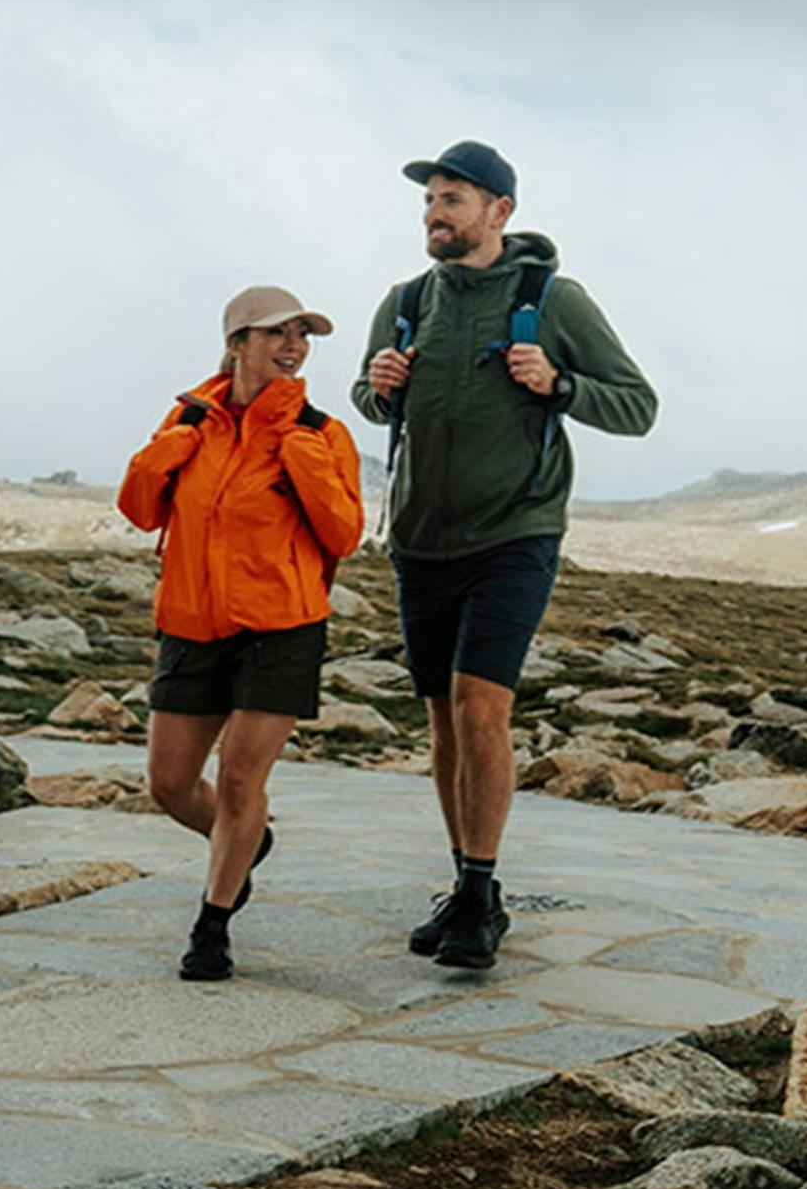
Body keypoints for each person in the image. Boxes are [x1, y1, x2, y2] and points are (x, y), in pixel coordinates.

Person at [354, 141, 656, 971]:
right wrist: (378, 383)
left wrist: (560, 385)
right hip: (420, 539)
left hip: (515, 533)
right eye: (429, 203)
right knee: (445, 718)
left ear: (499, 213)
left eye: (451, 200)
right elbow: (368, 397)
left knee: (482, 707)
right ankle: (464, 884)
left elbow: (638, 407)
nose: (434, 215)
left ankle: (482, 894)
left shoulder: (553, 299)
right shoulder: (407, 300)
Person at [119, 286, 365, 982]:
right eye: (275, 334)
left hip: (281, 626)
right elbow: (139, 511)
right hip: (192, 625)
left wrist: (301, 458)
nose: (293, 348)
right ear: (236, 345)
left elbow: (345, 531)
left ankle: (212, 924)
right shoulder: (189, 419)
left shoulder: (319, 432)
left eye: (301, 336)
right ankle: (245, 841)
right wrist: (168, 450)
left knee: (238, 781)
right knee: (170, 784)